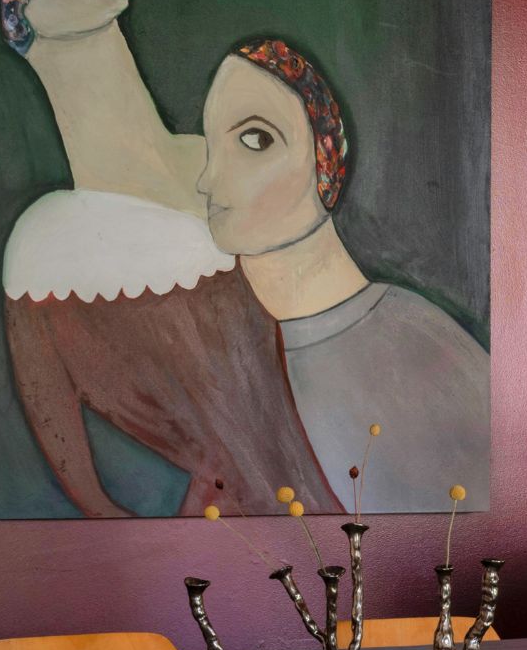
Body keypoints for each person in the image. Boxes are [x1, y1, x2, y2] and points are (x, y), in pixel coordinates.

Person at [0, 0, 337, 517]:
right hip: (230, 546)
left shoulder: (227, 167)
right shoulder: (44, 252)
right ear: (20, 1)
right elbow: (85, 488)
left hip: (337, 502)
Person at [199, 37, 490, 511]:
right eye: (209, 146)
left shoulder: (422, 349)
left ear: (326, 158)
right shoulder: (211, 356)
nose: (208, 179)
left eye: (255, 140)